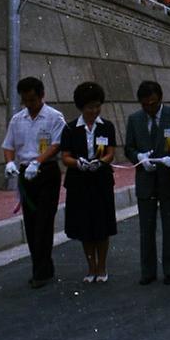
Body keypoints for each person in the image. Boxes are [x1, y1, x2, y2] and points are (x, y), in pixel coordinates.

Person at [2, 77, 66, 289]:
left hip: (46, 173)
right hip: (25, 176)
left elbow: (57, 144)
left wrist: (38, 162)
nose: (28, 104)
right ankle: (40, 268)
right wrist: (10, 162)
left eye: (32, 100)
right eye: (25, 100)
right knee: (30, 223)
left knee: (44, 222)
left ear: (41, 95)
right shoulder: (17, 119)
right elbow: (9, 144)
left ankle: (43, 270)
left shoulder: (54, 117)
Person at [124, 81, 170, 286]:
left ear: (160, 99)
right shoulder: (134, 120)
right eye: (145, 105)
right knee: (146, 227)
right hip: (146, 178)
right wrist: (139, 157)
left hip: (168, 178)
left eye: (152, 103)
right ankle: (147, 271)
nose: (149, 108)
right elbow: (129, 147)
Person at [60, 82, 117, 283]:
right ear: (81, 107)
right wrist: (78, 163)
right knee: (85, 226)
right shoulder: (69, 128)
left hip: (100, 179)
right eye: (89, 107)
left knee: (102, 225)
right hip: (79, 181)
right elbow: (65, 156)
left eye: (97, 106)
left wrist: (100, 162)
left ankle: (102, 267)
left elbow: (110, 153)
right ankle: (91, 267)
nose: (94, 110)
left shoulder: (107, 126)